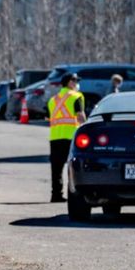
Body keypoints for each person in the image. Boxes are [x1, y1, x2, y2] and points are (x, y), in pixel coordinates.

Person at [48, 72, 86, 202]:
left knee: (56, 168)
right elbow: (81, 116)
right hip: (71, 136)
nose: (76, 84)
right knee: (72, 166)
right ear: (69, 82)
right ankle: (74, 194)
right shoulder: (76, 97)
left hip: (55, 137)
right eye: (75, 81)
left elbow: (48, 116)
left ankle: (56, 194)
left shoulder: (53, 100)